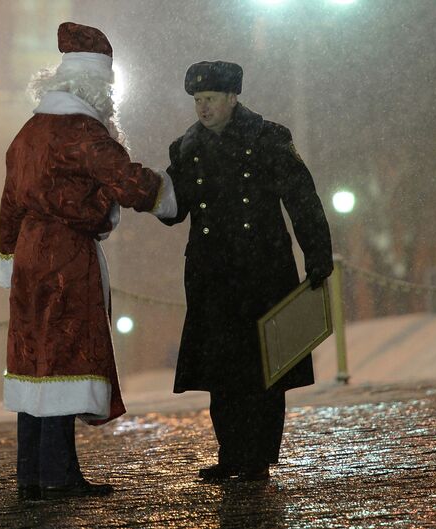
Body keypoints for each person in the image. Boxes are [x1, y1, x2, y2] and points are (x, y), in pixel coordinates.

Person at [0, 22, 175, 501]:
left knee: (33, 360)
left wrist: (9, 255)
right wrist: (167, 195)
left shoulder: (28, 132)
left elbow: (10, 201)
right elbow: (125, 179)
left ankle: (31, 473)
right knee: (64, 357)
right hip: (65, 255)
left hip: (29, 253)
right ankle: (59, 475)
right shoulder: (81, 131)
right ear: (96, 83)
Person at [154, 61, 333, 481]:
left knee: (264, 366)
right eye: (197, 101)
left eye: (210, 99)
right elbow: (174, 211)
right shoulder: (185, 146)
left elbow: (301, 197)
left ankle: (258, 457)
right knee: (221, 370)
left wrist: (318, 254)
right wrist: (147, 188)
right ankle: (231, 453)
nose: (202, 108)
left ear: (233, 97)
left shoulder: (268, 137)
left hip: (263, 268)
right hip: (212, 273)